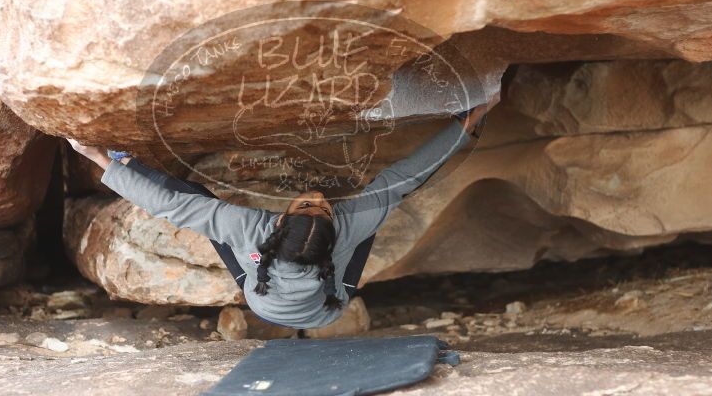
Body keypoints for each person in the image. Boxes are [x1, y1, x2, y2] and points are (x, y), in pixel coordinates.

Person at [68, 96, 499, 329]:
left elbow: (172, 205)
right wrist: (468, 124)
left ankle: (127, 162)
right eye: (318, 205)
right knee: (379, 208)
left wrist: (100, 158)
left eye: (311, 205)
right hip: (329, 305)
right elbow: (406, 177)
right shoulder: (348, 229)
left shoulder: (251, 230)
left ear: (277, 222)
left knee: (197, 200)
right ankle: (124, 162)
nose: (314, 194)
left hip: (263, 303)